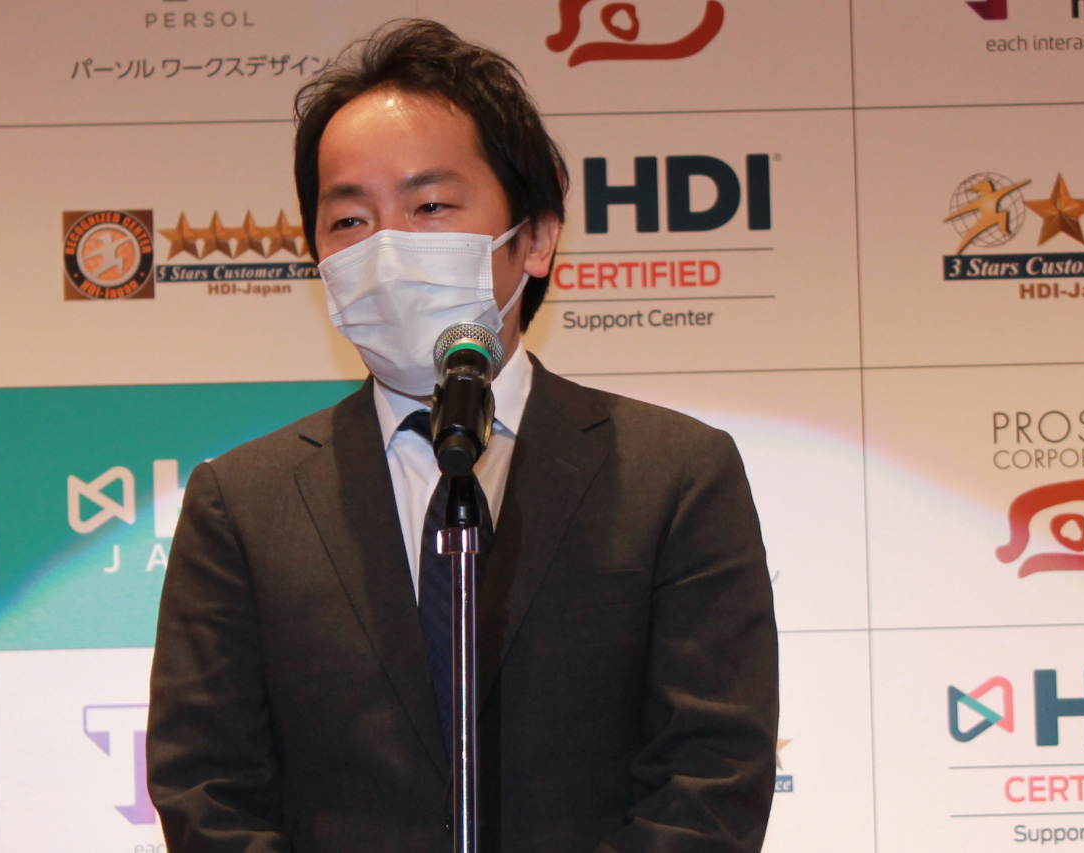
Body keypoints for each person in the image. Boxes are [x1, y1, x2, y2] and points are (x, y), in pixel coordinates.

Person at [147, 19, 777, 853]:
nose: (387, 250)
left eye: (430, 206)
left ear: (537, 235)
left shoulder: (675, 475)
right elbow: (207, 790)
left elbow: (712, 779)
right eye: (349, 220)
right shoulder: (242, 504)